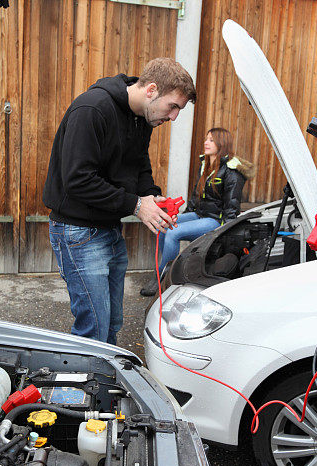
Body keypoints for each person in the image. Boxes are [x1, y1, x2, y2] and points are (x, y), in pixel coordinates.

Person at [44, 58, 196, 344]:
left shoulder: (142, 119)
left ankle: (101, 382)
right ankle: (81, 383)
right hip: (78, 232)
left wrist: (151, 195)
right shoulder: (92, 109)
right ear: (151, 90)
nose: (174, 117)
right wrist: (137, 206)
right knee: (94, 328)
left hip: (109, 228)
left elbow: (138, 164)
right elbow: (77, 180)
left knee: (112, 322)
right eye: (173, 106)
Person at [140, 127, 253, 296]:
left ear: (221, 143)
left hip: (215, 220)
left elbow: (232, 205)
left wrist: (226, 230)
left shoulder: (232, 171)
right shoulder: (206, 164)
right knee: (163, 225)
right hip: (200, 214)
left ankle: (161, 279)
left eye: (211, 140)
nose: (206, 143)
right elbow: (196, 195)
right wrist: (184, 214)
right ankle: (163, 269)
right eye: (206, 139)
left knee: (172, 232)